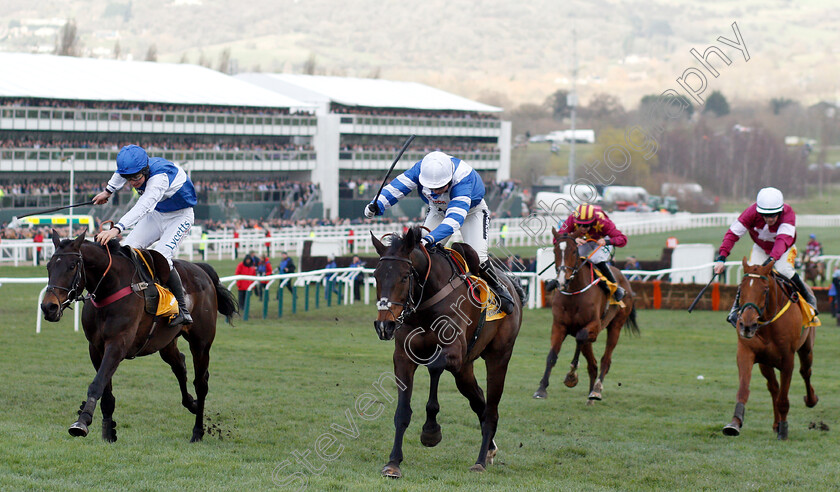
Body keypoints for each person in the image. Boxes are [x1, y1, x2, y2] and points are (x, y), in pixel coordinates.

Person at [364, 151, 515, 314]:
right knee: (418, 254)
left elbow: (454, 220)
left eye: (440, 187)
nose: (435, 192)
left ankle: (499, 290)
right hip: (438, 211)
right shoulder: (420, 169)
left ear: (450, 179)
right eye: (431, 188)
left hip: (472, 213)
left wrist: (430, 238)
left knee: (478, 256)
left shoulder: (463, 178)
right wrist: (376, 204)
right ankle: (413, 300)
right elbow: (396, 188)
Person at [92, 144, 197, 326]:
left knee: (162, 256)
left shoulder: (160, 178)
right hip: (157, 214)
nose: (133, 182)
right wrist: (108, 191)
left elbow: (143, 206)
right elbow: (120, 173)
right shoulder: (132, 170)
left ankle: (182, 309)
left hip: (180, 216)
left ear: (145, 169)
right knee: (127, 249)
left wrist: (116, 228)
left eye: (136, 177)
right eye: (129, 178)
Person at [714, 187, 817, 327]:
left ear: (780, 211)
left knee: (784, 270)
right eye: (765, 215)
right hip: (761, 248)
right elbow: (732, 234)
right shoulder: (750, 213)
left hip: (784, 248)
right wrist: (722, 257)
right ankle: (735, 309)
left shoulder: (788, 213)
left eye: (774, 215)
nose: (770, 219)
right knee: (751, 275)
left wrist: (772, 259)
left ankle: (808, 298)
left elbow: (782, 241)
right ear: (758, 211)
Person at [548, 203, 627, 301]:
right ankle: (560, 280)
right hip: (584, 240)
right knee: (570, 255)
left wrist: (607, 241)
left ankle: (615, 288)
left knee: (595, 259)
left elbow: (623, 239)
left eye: (586, 225)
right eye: (580, 225)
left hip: (601, 240)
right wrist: (573, 239)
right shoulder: (571, 219)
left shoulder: (603, 222)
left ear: (593, 221)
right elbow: (557, 238)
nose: (583, 228)